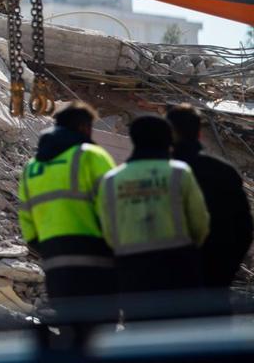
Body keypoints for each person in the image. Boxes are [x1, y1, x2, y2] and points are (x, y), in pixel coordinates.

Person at [96, 115, 210, 299]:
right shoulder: (179, 173)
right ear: (168, 139)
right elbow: (200, 223)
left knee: (141, 324)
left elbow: (108, 231)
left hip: (131, 269)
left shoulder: (111, 181)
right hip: (177, 265)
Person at [18, 102, 118, 309]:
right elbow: (114, 205)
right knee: (100, 322)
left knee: (67, 318)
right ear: (84, 127)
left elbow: (26, 216)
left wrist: (44, 246)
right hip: (95, 252)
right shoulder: (91, 155)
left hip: (54, 255)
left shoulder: (32, 167)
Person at [166, 104, 252, 293]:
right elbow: (244, 229)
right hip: (214, 279)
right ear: (199, 134)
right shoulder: (224, 171)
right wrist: (227, 271)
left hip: (164, 283)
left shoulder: (158, 174)